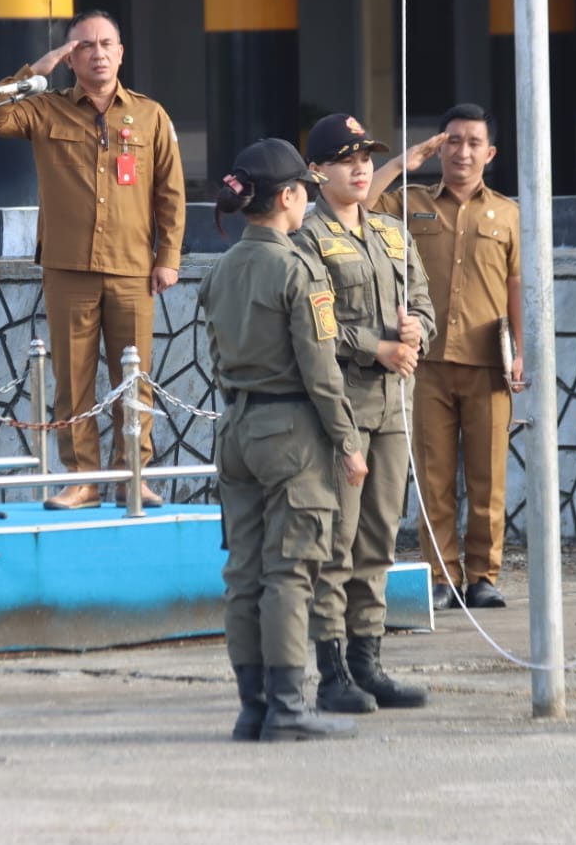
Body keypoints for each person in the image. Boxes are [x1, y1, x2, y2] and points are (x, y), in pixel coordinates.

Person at [0, 10, 185, 510]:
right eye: (84, 46)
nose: (97, 53)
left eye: (106, 43)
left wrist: (168, 257)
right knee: (73, 382)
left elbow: (170, 192)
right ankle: (82, 480)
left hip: (133, 268)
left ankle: (132, 475)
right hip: (68, 268)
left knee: (134, 379)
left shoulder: (150, 115)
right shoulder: (45, 109)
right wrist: (34, 72)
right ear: (70, 58)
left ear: (121, 52)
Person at [198, 137, 368, 742]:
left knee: (244, 573)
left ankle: (254, 708)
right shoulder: (298, 269)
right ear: (289, 196)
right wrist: (348, 442)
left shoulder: (221, 270)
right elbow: (321, 371)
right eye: (304, 192)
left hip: (236, 428)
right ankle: (289, 707)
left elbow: (217, 357)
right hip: (292, 433)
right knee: (291, 573)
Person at [294, 113, 435, 713]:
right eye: (345, 159)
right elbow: (314, 324)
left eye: (366, 158)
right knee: (337, 539)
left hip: (393, 404)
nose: (359, 168)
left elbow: (423, 301)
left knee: (379, 535)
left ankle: (367, 662)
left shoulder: (390, 232)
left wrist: (417, 329)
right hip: (342, 405)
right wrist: (375, 346)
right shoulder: (307, 238)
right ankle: (331, 672)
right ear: (316, 171)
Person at [369, 103, 524, 612]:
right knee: (433, 478)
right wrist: (401, 163)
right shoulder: (410, 203)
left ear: (490, 153)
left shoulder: (508, 213)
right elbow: (360, 206)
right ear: (439, 147)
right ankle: (441, 575)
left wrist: (521, 352)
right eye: (452, 140)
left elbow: (516, 286)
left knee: (488, 478)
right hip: (426, 363)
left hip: (487, 363)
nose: (462, 152)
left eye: (474, 142)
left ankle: (483, 576)